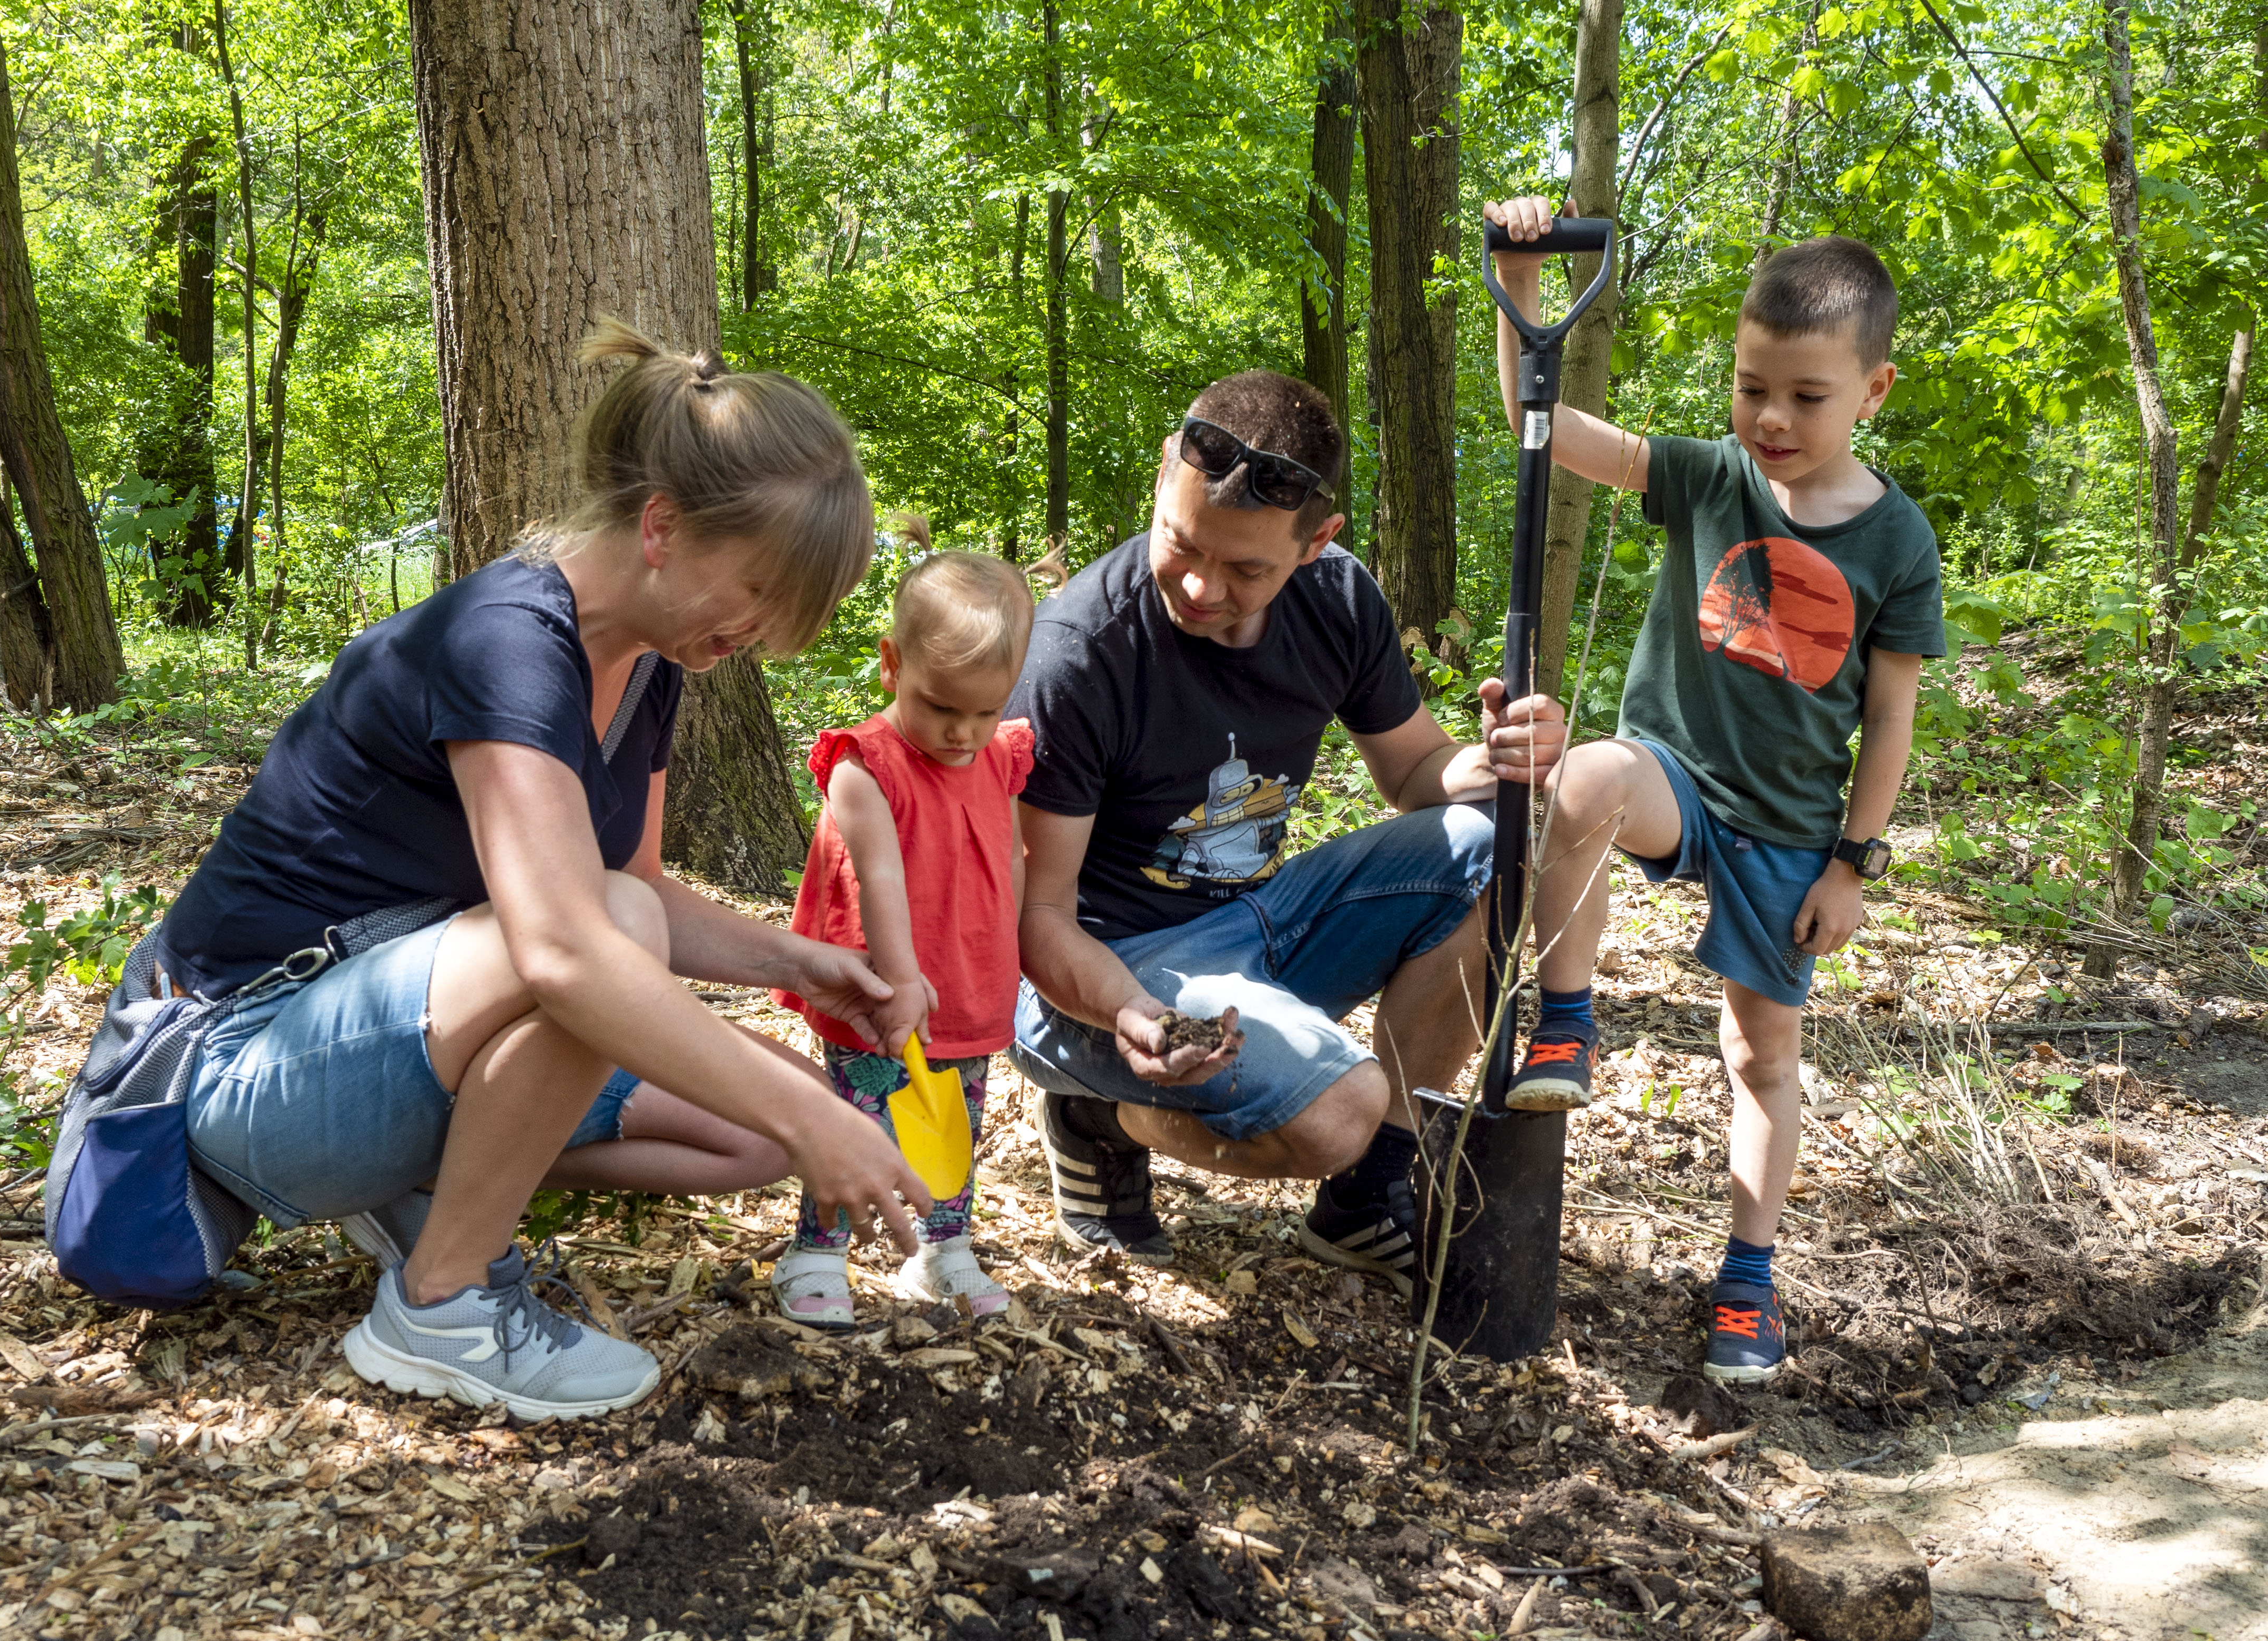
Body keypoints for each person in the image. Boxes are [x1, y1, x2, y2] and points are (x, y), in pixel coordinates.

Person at [161, 325, 933, 1422]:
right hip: (246, 1071)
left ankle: (427, 1191)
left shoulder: (652, 666)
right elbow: (571, 949)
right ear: (661, 526)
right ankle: (438, 1302)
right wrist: (831, 1134)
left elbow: (643, 887)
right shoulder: (507, 643)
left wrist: (805, 963)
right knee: (606, 942)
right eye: (755, 589)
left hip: (389, 1034)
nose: (758, 634)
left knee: (760, 1122)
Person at [1482, 197, 1946, 1384]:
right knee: (1582, 777)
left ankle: (1747, 1277)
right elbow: (1543, 423)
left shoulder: (1897, 543)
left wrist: (1857, 861)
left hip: (1790, 829)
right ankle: (1568, 1025)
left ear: (1873, 392)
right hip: (1673, 777)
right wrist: (1521, 289)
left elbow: (1889, 715)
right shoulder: (1703, 477)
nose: (1772, 419)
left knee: (1761, 1059)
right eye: (1752, 388)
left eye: (1806, 395)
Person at [1007, 370, 1566, 1284]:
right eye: (1181, 543)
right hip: (1100, 971)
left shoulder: (1340, 602)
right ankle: (1092, 1114)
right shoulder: (1079, 655)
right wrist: (1133, 1016)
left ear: (1317, 546)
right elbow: (1040, 920)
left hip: (1259, 920)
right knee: (1338, 1113)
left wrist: (1503, 756)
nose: (1198, 584)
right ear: (1161, 478)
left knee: (1497, 847)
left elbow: (1420, 775)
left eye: (1246, 570)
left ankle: (1362, 1204)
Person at [770, 521, 1055, 1327]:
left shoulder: (999, 755)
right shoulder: (867, 766)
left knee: (953, 1115)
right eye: (940, 707)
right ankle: (818, 1251)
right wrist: (900, 980)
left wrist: (1014, 953)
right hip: (878, 981)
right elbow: (880, 877)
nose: (962, 733)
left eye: (984, 710)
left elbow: (1009, 856)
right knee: (858, 1114)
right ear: (894, 664)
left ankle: (943, 1248)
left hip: (967, 973)